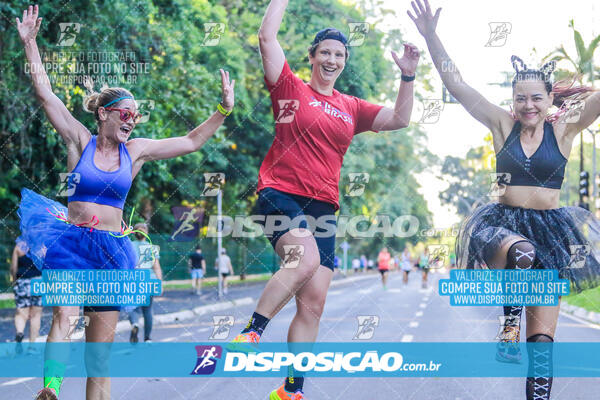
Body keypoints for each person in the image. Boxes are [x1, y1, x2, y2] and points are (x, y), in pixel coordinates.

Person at [15, 6, 235, 399]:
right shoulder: (78, 139)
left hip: (113, 250)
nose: (132, 120)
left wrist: (222, 110)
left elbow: (190, 141)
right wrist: (30, 44)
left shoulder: (137, 151)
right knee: (63, 314)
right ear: (103, 114)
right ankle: (49, 390)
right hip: (71, 243)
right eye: (125, 113)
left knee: (99, 356)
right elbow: (45, 94)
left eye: (135, 115)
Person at [409, 1, 600, 398]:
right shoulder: (501, 123)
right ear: (513, 100)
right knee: (522, 252)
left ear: (550, 100)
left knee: (543, 348)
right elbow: (457, 85)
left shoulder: (564, 130)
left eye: (535, 99)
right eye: (520, 99)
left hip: (553, 236)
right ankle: (509, 327)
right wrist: (431, 36)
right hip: (502, 228)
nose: (527, 106)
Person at [229, 1, 419, 398]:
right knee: (306, 260)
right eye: (326, 53)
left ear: (343, 62)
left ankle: (290, 390)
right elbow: (266, 37)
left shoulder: (351, 107)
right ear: (312, 57)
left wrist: (407, 76)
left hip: (323, 207)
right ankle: (251, 331)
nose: (332, 60)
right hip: (279, 192)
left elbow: (400, 119)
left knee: (313, 304)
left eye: (339, 55)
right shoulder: (288, 87)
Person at [128, 223, 162, 344]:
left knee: (132, 308)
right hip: (150, 280)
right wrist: (159, 282)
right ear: (146, 233)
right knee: (148, 310)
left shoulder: (129, 246)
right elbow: (156, 267)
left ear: (134, 233)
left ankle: (135, 324)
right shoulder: (151, 248)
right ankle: (147, 338)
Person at [10, 240, 42, 355]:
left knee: (20, 313)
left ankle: (19, 332)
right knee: (35, 315)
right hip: (38, 282)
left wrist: (14, 282)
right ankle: (32, 347)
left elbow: (14, 268)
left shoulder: (19, 246)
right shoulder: (41, 247)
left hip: (22, 282)